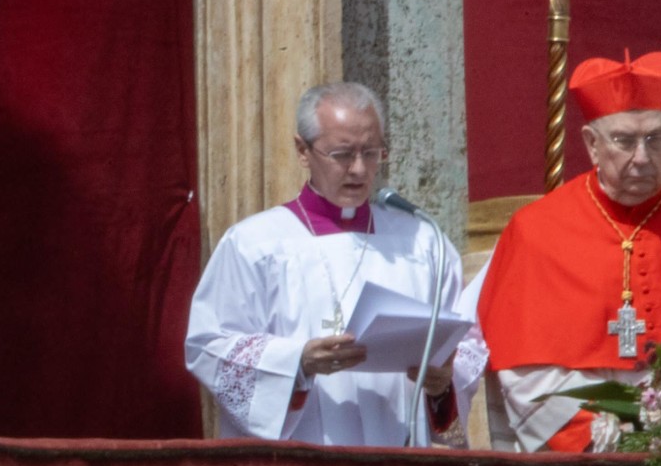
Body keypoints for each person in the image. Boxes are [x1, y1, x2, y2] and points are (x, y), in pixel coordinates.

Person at [472, 50, 661, 452]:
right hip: (580, 459)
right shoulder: (535, 230)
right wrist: (601, 439)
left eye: (655, 139)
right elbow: (524, 372)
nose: (642, 157)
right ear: (591, 143)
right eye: (624, 140)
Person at [185, 82, 474, 446]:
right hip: (302, 458)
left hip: (399, 453)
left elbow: (466, 343)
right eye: (342, 154)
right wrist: (297, 362)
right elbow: (209, 346)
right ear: (302, 150)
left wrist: (442, 382)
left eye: (372, 153)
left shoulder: (423, 242)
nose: (359, 169)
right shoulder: (254, 243)